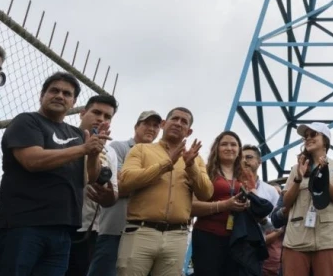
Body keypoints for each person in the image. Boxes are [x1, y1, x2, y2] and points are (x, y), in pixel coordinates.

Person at [0, 71, 110, 275]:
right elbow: (33, 160)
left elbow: (90, 177)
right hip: (23, 225)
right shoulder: (26, 122)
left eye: (67, 94)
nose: (60, 96)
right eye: (54, 91)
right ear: (42, 95)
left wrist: (94, 153)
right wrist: (83, 149)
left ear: (73, 102)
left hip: (63, 230)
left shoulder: (77, 134)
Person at [116, 107, 212, 276]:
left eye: (184, 122)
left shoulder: (195, 159)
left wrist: (191, 167)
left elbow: (206, 193)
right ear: (163, 123)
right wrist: (166, 164)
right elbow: (125, 182)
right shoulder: (141, 149)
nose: (178, 123)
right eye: (174, 119)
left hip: (177, 235)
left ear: (189, 132)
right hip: (141, 232)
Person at [87, 110, 163, 276]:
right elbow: (117, 184)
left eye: (156, 126)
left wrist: (132, 180)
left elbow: (128, 182)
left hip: (144, 232)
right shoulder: (118, 148)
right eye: (146, 124)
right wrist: (153, 181)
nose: (151, 128)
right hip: (115, 228)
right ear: (136, 126)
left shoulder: (159, 156)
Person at [282, 122, 333, 276]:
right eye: (306, 136)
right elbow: (286, 201)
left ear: (325, 140)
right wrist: (298, 178)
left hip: (328, 239)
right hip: (297, 238)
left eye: (313, 134)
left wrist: (322, 174)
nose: (308, 138)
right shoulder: (296, 168)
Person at [191, 131, 262, 275]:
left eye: (233, 145)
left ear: (239, 150)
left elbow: (256, 206)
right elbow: (191, 207)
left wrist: (248, 205)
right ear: (216, 148)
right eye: (224, 144)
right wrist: (223, 205)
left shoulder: (245, 175)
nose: (229, 148)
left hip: (237, 239)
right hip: (208, 236)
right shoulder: (205, 171)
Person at [67, 94, 120, 276]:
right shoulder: (64, 137)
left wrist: (107, 195)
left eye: (107, 116)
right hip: (54, 223)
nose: (101, 119)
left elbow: (113, 194)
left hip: (88, 229)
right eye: (96, 112)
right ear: (82, 113)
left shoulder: (110, 151)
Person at [241, 144, 282, 276]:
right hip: (230, 243)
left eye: (249, 157)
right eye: (241, 158)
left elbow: (277, 222)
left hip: (256, 247)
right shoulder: (230, 184)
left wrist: (263, 220)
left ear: (259, 162)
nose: (245, 161)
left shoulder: (270, 191)